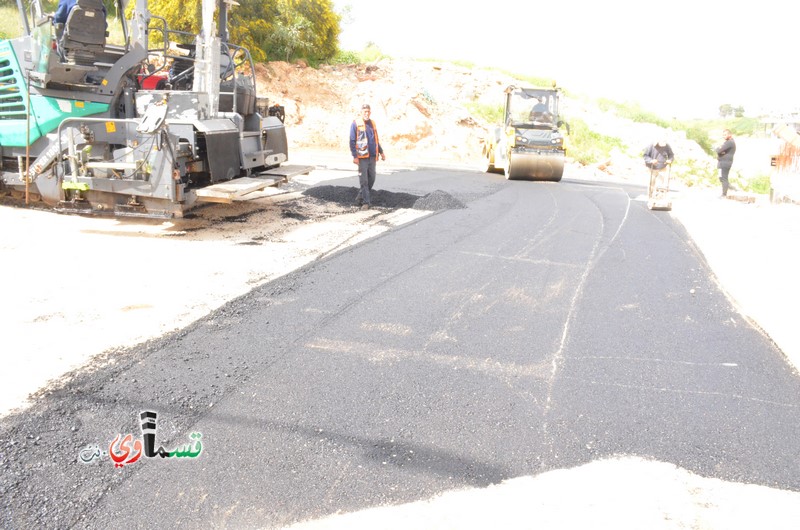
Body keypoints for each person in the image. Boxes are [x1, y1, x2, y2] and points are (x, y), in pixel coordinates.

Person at [349, 103, 385, 209]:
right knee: (364, 180)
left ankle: (359, 198)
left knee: (372, 179)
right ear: (361, 112)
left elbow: (376, 140)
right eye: (365, 111)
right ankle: (366, 202)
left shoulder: (372, 123)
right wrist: (355, 156)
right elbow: (352, 140)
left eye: (368, 111)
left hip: (372, 156)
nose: (367, 113)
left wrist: (381, 152)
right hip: (362, 157)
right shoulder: (355, 123)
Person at [715, 129, 736, 197]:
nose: (723, 136)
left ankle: (724, 194)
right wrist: (720, 150)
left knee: (724, 178)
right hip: (721, 162)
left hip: (725, 163)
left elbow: (718, 150)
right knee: (721, 177)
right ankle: (730, 187)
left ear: (730, 135)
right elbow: (719, 150)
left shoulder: (729, 142)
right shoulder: (727, 142)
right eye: (723, 135)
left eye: (725, 135)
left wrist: (720, 150)